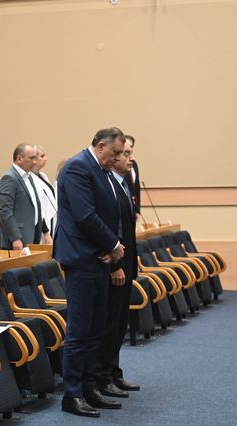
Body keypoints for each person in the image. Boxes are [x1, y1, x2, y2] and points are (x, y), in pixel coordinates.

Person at [54, 127, 126, 418]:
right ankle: (72, 394)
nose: (118, 157)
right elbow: (85, 216)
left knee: (97, 328)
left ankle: (90, 386)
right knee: (80, 331)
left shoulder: (103, 171)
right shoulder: (77, 168)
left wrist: (112, 246)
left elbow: (113, 213)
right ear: (100, 146)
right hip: (81, 258)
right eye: (115, 152)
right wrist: (114, 245)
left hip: (99, 257)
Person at [94, 138, 140, 397]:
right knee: (110, 325)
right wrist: (116, 266)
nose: (129, 158)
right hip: (117, 267)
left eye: (130, 153)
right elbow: (113, 230)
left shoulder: (123, 184)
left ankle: (113, 372)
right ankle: (103, 377)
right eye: (125, 153)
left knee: (120, 323)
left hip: (128, 264)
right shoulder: (109, 184)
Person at [0, 144, 51, 250]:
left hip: (33, 234)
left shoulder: (28, 177)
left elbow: (35, 206)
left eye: (35, 158)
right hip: (18, 238)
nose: (34, 162)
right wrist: (15, 238)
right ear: (19, 159)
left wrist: (45, 231)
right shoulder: (9, 178)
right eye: (31, 158)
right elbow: (5, 211)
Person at [31, 145, 57, 241]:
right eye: (42, 156)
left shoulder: (43, 176)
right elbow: (37, 207)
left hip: (51, 220)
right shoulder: (30, 179)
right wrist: (45, 231)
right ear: (34, 159)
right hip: (41, 226)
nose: (46, 159)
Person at [124, 134, 142, 223]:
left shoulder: (134, 164)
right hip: (124, 207)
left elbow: (136, 188)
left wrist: (137, 210)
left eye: (131, 146)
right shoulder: (118, 165)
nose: (129, 148)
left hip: (133, 208)